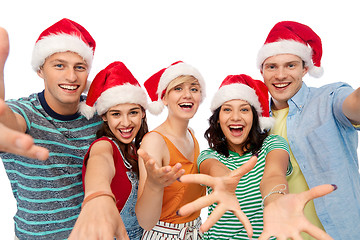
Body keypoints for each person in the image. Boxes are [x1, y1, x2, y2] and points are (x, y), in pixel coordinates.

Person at [177, 74, 335, 239]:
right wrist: (225, 181)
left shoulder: (273, 144)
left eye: (244, 109)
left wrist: (276, 200)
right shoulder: (208, 155)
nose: (236, 117)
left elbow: (274, 175)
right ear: (218, 120)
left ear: (255, 117)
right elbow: (215, 169)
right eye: (227, 109)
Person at [0, 19, 104, 239]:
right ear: (40, 70)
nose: (71, 77)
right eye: (59, 65)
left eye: (80, 67)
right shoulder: (24, 111)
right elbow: (8, 123)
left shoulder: (100, 114)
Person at [256, 21, 360, 239]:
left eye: (290, 65)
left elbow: (354, 105)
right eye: (272, 67)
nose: (280, 75)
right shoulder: (253, 120)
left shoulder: (328, 99)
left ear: (305, 69)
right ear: (262, 71)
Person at [69, 61, 148, 239]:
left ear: (143, 113)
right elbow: (100, 161)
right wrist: (98, 194)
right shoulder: (104, 145)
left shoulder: (137, 150)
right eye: (116, 114)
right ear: (104, 116)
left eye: (133, 112)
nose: (126, 122)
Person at [135, 61, 207, 239]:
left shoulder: (192, 135)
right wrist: (154, 186)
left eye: (194, 89)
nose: (187, 95)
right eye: (178, 88)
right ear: (164, 98)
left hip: (195, 233)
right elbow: (145, 221)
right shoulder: (154, 141)